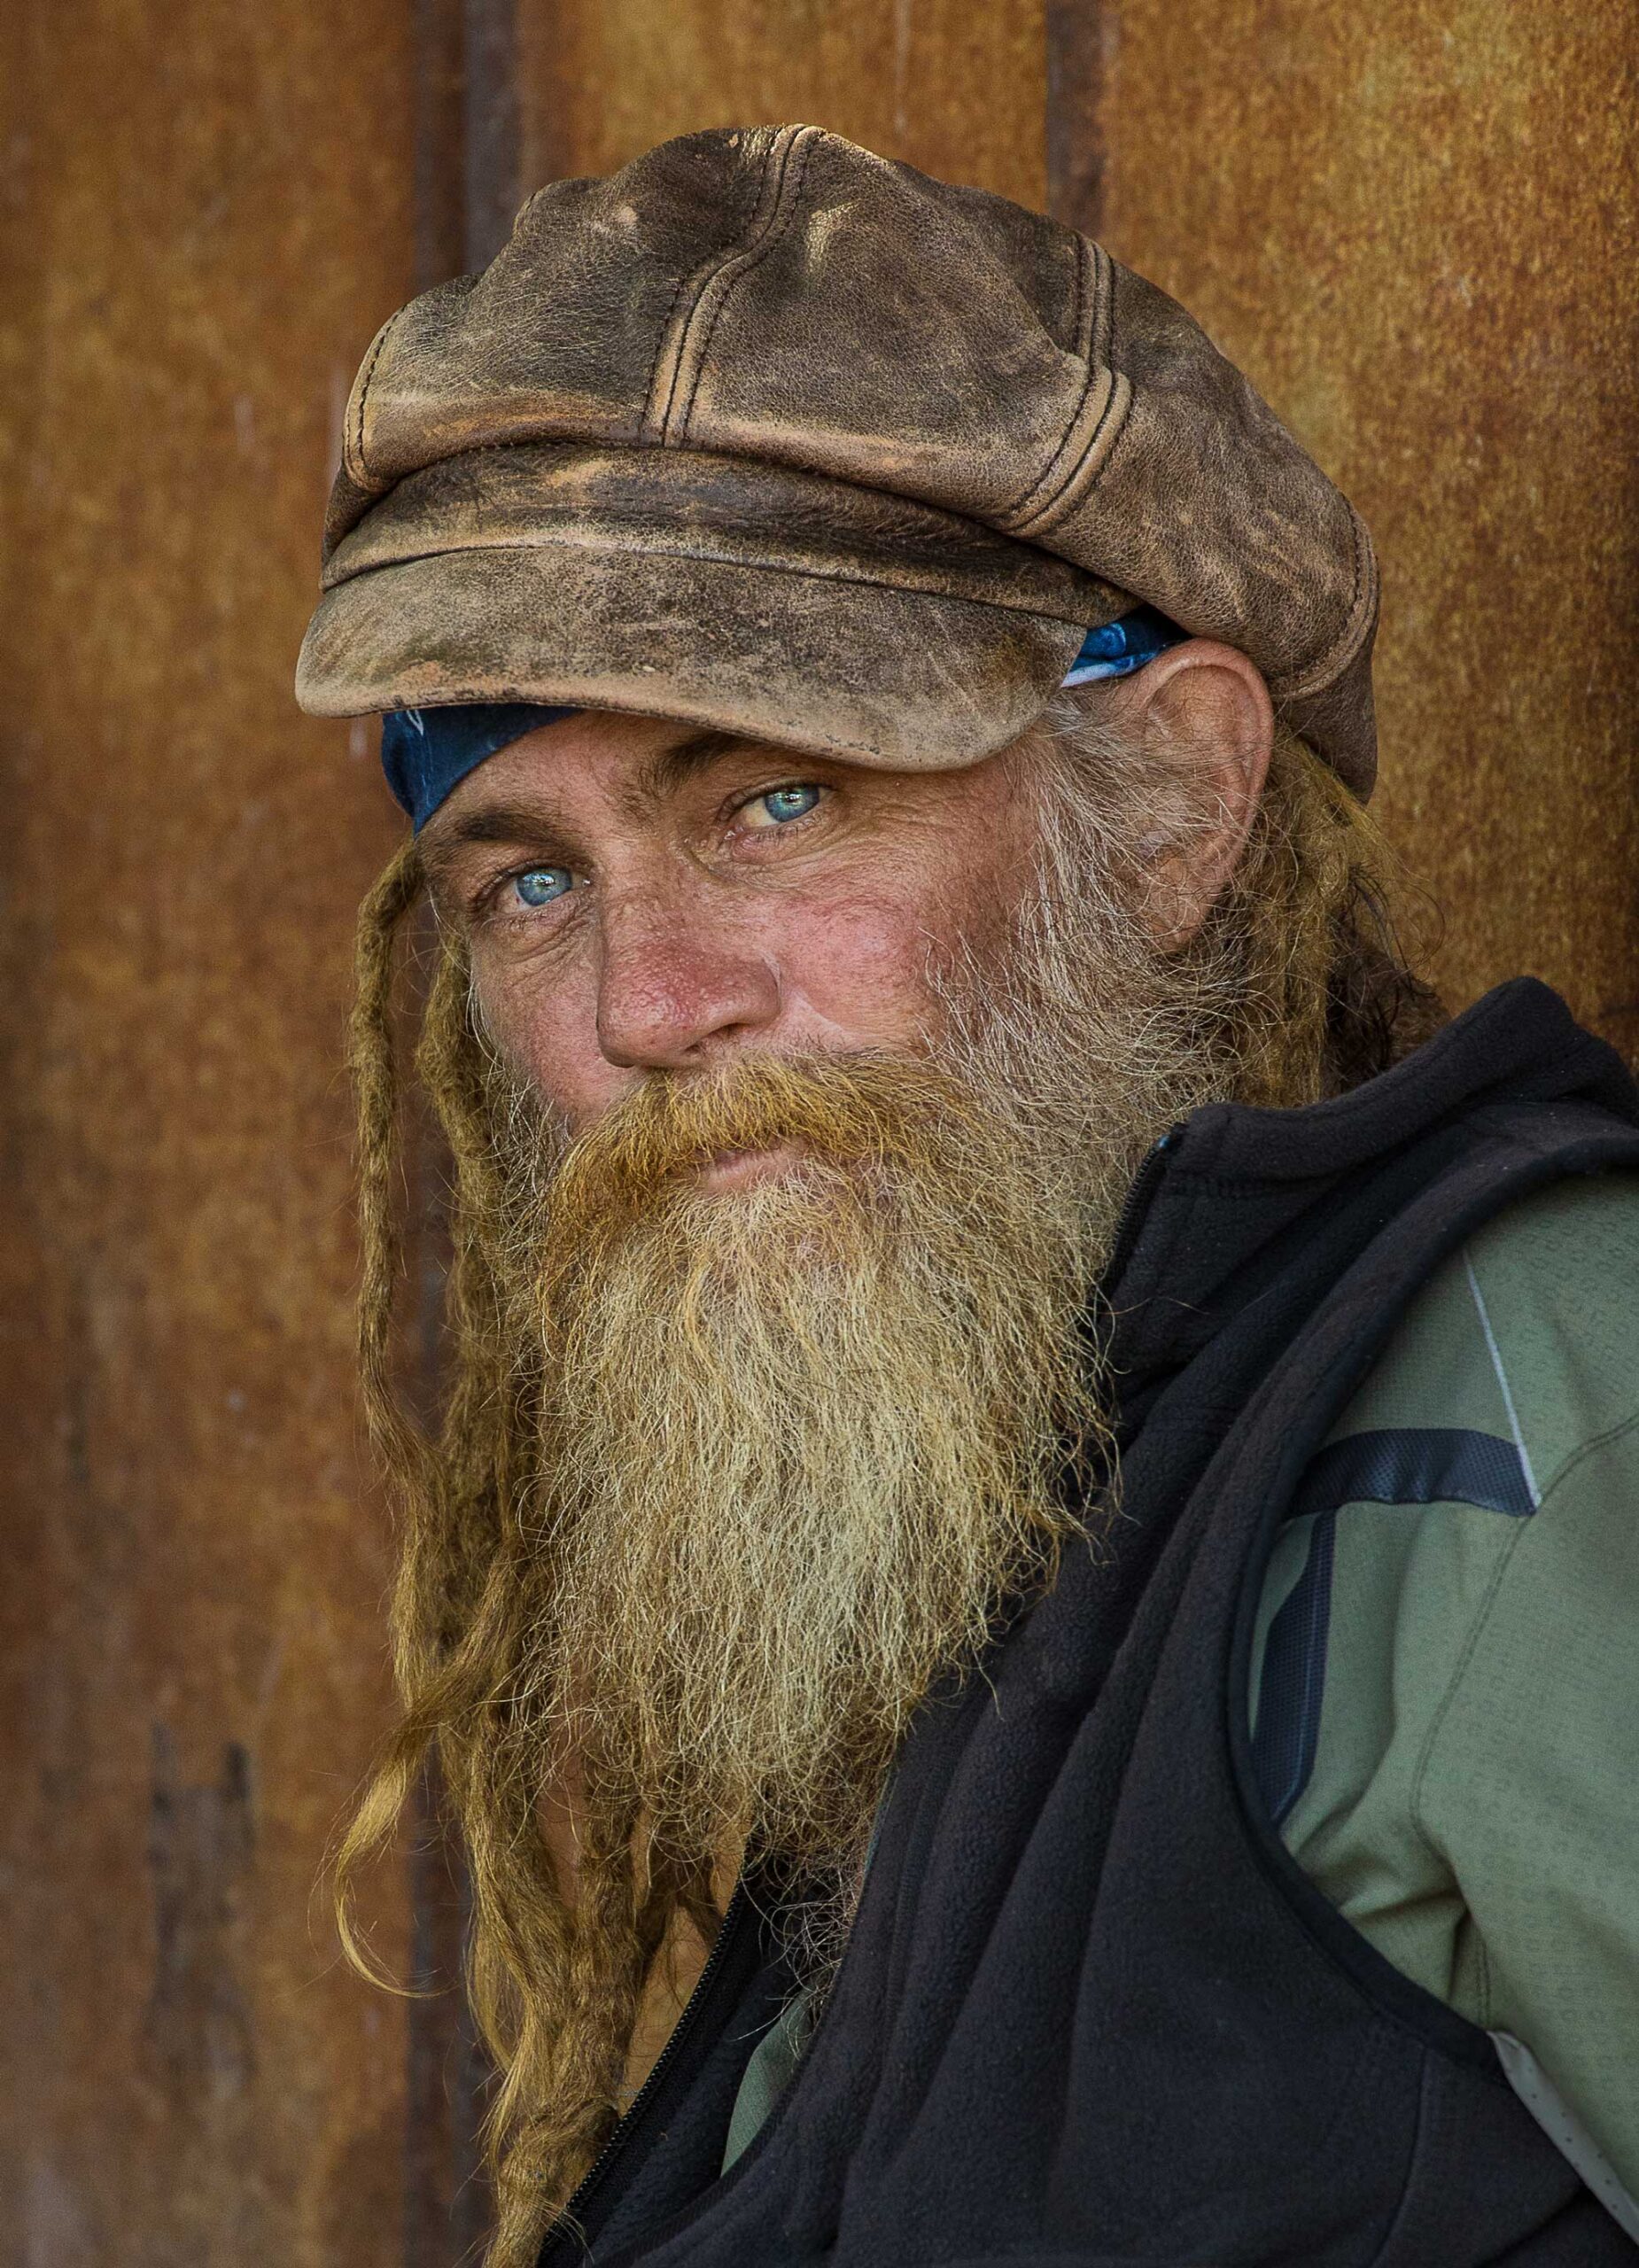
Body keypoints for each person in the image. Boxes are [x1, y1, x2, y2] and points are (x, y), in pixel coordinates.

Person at [297, 126, 1639, 2268]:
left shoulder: (1540, 1414)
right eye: (532, 880)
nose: (646, 1004)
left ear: (1178, 800)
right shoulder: (962, 1458)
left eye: (779, 802)